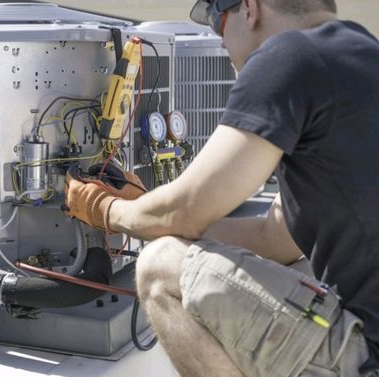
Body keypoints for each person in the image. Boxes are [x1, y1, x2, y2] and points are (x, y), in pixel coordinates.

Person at [63, 0, 379, 376]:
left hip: (364, 353)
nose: (219, 39)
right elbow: (275, 237)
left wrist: (107, 210)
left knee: (159, 266)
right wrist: (147, 208)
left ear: (250, 8)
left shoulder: (290, 54)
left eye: (216, 19)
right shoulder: (362, 56)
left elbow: (186, 209)